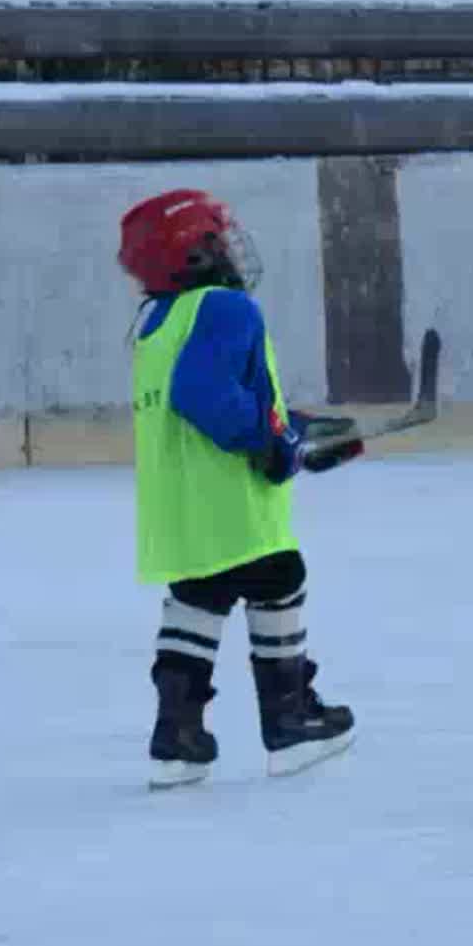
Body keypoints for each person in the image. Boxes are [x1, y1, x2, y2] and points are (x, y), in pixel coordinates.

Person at [121, 190, 360, 787]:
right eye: (216, 237)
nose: (227, 248)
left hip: (179, 511)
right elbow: (202, 396)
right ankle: (291, 723)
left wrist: (295, 429)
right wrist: (271, 447)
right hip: (236, 503)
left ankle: (177, 739)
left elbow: (230, 395)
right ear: (193, 251)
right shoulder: (226, 308)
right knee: (280, 581)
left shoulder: (158, 320)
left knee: (197, 600)